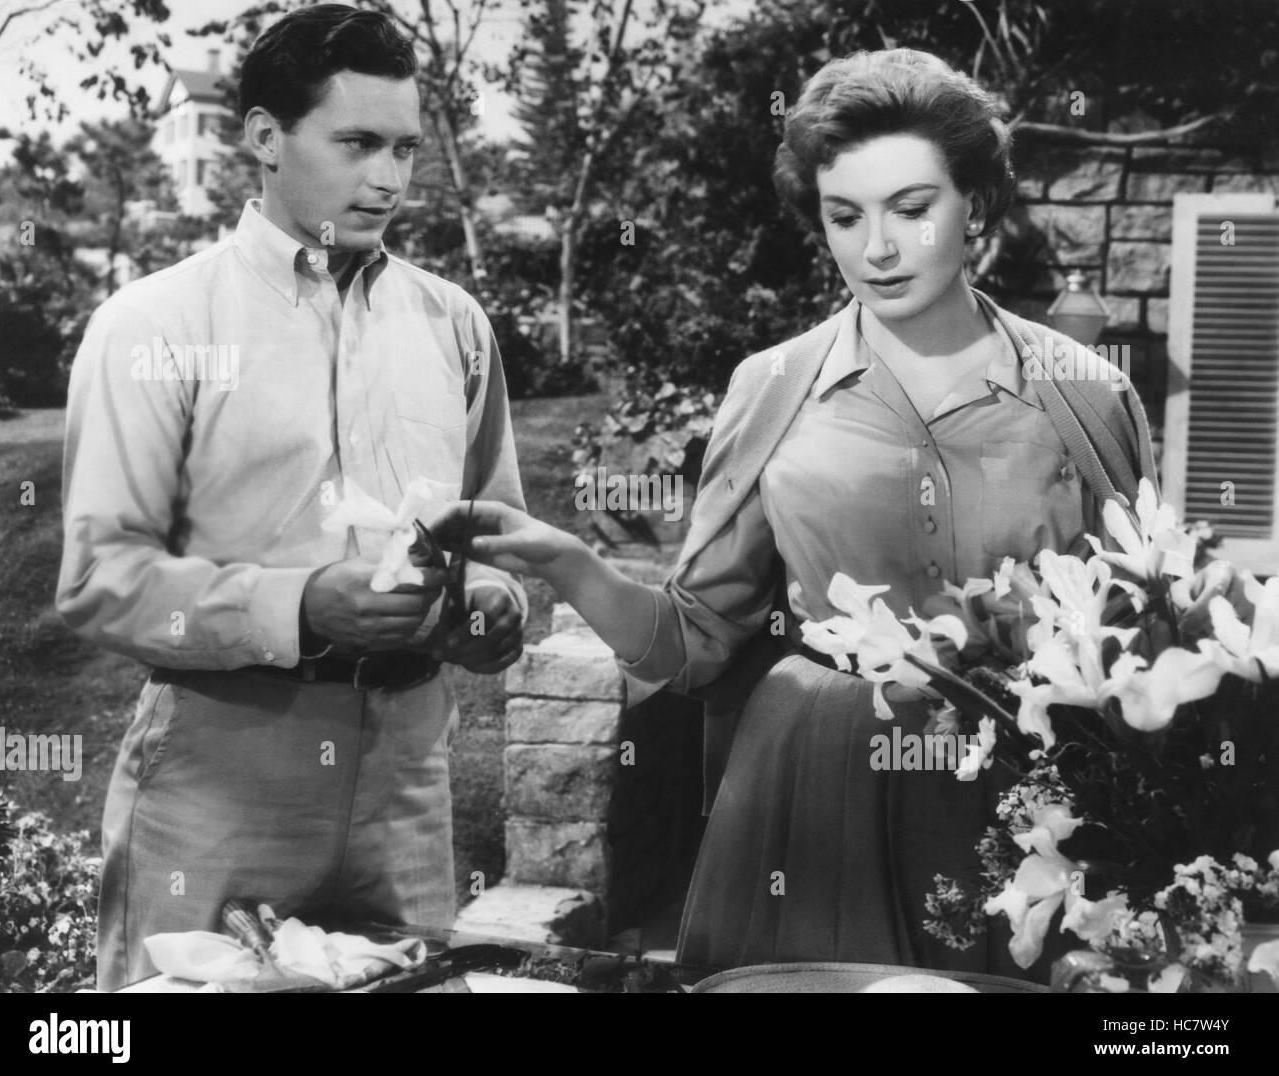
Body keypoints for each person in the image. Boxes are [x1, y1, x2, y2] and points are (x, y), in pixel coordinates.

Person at [430, 48, 1157, 975]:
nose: (877, 248)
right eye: (845, 216)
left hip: (1028, 797)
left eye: (912, 207)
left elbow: (1140, 642)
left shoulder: (1086, 393)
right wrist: (567, 559)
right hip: (815, 791)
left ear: (976, 205)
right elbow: (698, 640)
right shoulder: (772, 386)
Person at [57, 4, 527, 990]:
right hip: (225, 771)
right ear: (265, 138)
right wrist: (300, 605)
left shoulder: (455, 325)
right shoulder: (154, 323)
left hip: (408, 775)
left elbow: (498, 537)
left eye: (404, 146)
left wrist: (490, 608)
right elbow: (101, 577)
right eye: (356, 143)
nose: (390, 179)